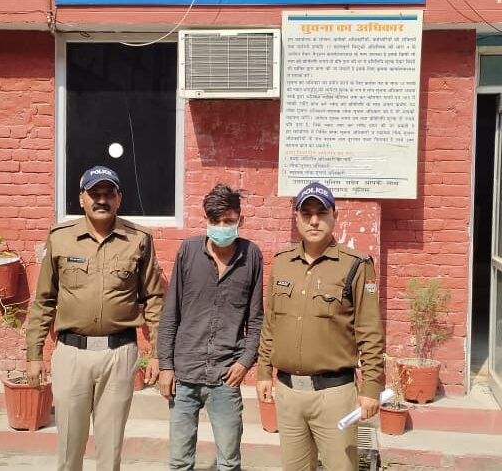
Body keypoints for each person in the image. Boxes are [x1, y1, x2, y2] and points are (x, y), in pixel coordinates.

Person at [26, 165, 165, 471]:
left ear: (119, 198)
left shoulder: (138, 239)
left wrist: (158, 353)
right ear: (81, 199)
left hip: (119, 355)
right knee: (68, 450)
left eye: (108, 193)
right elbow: (44, 300)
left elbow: (154, 299)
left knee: (110, 450)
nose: (101, 200)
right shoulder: (60, 238)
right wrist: (34, 355)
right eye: (94, 193)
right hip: (71, 355)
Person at [256, 181, 385, 471]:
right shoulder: (282, 263)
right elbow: (271, 322)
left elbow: (370, 331)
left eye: (321, 212)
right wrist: (263, 372)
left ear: (334, 216)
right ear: (296, 217)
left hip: (334, 395)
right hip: (288, 393)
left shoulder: (356, 265)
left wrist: (371, 388)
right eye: (306, 213)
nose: (314, 220)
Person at [157, 184, 264, 471]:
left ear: (240, 220)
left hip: (226, 375)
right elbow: (170, 312)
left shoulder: (251, 256)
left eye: (228, 221)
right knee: (179, 461)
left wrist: (245, 361)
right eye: (215, 221)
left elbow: (256, 319)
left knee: (229, 461)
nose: (222, 228)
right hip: (185, 374)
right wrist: (165, 366)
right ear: (205, 220)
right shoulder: (188, 251)